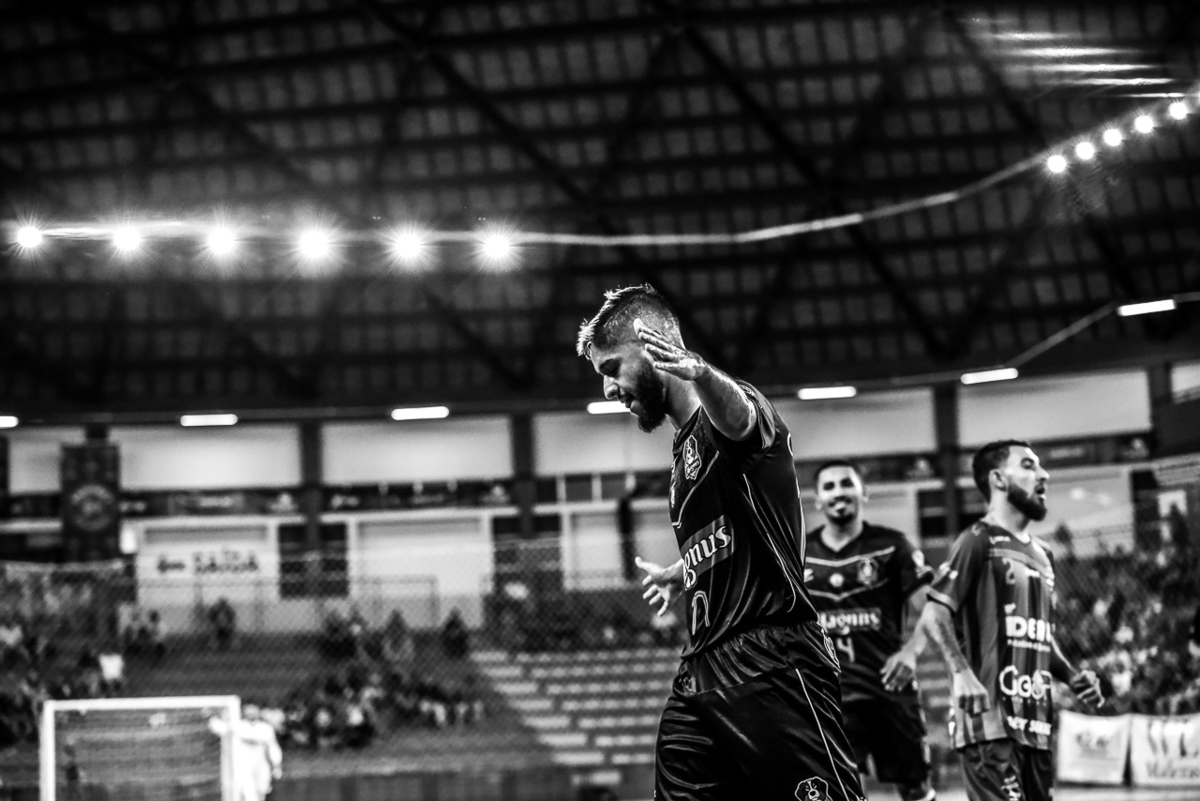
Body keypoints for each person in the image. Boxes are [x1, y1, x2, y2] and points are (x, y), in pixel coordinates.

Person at [577, 284, 863, 801]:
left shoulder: (731, 411)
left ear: (655, 344)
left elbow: (741, 421)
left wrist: (703, 374)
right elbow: (735, 532)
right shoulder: (681, 453)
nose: (609, 389)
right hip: (702, 667)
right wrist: (687, 569)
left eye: (612, 368)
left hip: (771, 659)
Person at [914, 440, 1104, 801]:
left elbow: (1040, 634)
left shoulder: (1044, 554)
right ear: (998, 479)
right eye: (1029, 465)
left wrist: (1071, 676)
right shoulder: (976, 540)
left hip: (1036, 726)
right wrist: (961, 673)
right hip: (990, 727)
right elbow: (934, 613)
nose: (1043, 475)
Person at [806, 460, 936, 801]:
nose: (838, 492)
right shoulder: (798, 554)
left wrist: (911, 653)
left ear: (863, 492)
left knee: (916, 788)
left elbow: (933, 609)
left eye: (846, 484)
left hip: (889, 689)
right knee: (843, 789)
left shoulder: (893, 546)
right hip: (830, 695)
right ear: (817, 500)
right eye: (829, 487)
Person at [209, 702, 283, 801]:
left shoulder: (265, 728)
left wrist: (276, 765)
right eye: (248, 709)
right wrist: (213, 715)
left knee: (261, 790)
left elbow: (272, 747)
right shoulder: (237, 725)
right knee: (248, 792)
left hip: (261, 764)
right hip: (242, 764)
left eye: (253, 709)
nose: (251, 712)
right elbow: (218, 727)